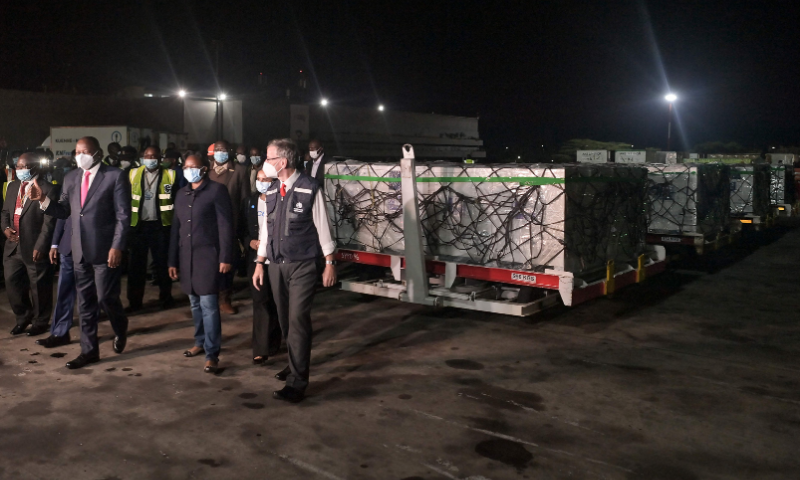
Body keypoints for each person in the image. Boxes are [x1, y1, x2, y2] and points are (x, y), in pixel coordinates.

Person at [29, 136, 131, 369]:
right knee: (85, 303)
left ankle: (120, 326)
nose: (80, 155)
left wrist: (117, 246)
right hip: (79, 251)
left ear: (97, 153)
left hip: (105, 251)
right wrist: (44, 200)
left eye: (85, 151)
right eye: (77, 151)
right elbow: (64, 211)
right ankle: (89, 351)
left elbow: (124, 216)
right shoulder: (71, 177)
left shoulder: (115, 176)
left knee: (106, 298)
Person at [252, 138, 337, 403]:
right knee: (285, 319)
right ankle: (294, 362)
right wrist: (259, 263)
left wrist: (330, 262)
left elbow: (323, 226)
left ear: (283, 162)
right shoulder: (273, 190)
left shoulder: (310, 187)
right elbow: (266, 229)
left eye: (269, 157)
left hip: (302, 266)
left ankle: (297, 382)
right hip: (276, 265)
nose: (265, 163)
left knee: (298, 321)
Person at [168, 153, 234, 373]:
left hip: (208, 258)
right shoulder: (181, 194)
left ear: (204, 169)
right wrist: (172, 260)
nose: (189, 171)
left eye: (193, 167)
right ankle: (199, 342)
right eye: (186, 167)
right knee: (194, 304)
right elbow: (175, 230)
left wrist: (225, 257)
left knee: (209, 306)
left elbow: (225, 227)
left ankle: (212, 353)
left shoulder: (216, 191)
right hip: (186, 258)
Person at [2, 153, 59, 336]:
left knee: (39, 287)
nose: (19, 170)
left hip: (34, 247)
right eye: (17, 166)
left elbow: (50, 221)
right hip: (13, 247)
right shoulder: (12, 187)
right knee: (12, 284)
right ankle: (23, 317)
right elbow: (5, 212)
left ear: (34, 167)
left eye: (23, 166)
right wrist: (5, 229)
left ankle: (40, 321)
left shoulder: (48, 189)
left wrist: (41, 245)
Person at [126, 146, 176, 312]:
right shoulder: (132, 174)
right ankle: (135, 302)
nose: (150, 158)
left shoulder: (171, 174)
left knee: (162, 264)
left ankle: (166, 297)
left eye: (154, 156)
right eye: (147, 156)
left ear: (160, 158)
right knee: (136, 267)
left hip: (161, 226)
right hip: (138, 227)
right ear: (142, 157)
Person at [241, 168, 281, 364]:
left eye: (266, 178)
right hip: (255, 260)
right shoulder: (249, 202)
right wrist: (249, 241)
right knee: (260, 301)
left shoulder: (281, 201)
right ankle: (260, 348)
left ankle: (273, 342)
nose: (262, 182)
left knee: (275, 302)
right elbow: (241, 228)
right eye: (258, 178)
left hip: (276, 260)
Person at [208, 139, 250, 314]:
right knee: (209, 263)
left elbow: (245, 200)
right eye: (217, 150)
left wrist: (242, 227)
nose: (220, 152)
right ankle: (210, 297)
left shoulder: (239, 171)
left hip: (229, 225)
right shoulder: (205, 170)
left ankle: (225, 298)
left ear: (229, 152)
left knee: (227, 262)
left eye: (224, 150)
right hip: (208, 225)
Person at [37, 216, 75, 347]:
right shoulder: (69, 193)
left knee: (99, 296)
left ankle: (117, 329)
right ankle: (60, 333)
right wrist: (55, 244)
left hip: (94, 247)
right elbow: (62, 214)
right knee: (64, 292)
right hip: (68, 248)